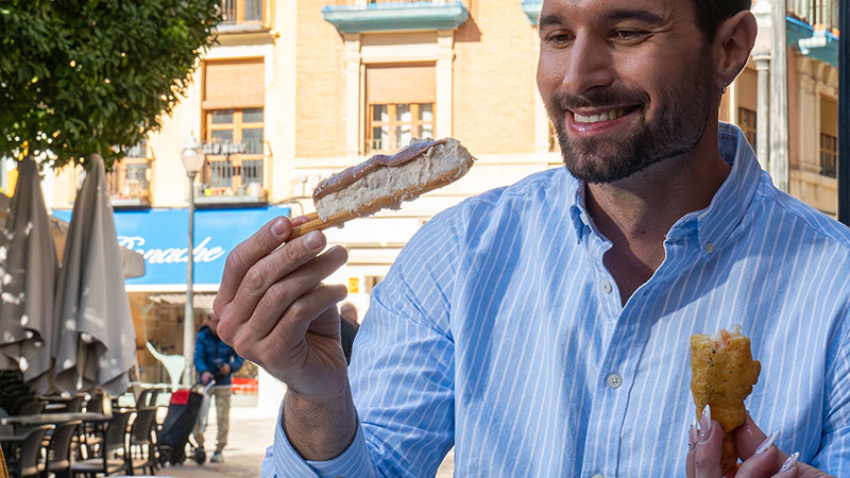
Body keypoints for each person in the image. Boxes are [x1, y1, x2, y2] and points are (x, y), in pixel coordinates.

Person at [213, 0, 850, 475]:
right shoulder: (453, 259)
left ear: (729, 47)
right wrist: (317, 398)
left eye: (627, 32)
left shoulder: (837, 287)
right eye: (557, 36)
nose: (577, 78)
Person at [192, 310, 244, 463]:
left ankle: (219, 449)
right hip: (206, 382)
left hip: (223, 382)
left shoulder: (229, 335)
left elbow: (240, 357)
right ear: (208, 322)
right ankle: (199, 444)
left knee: (223, 417)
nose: (219, 324)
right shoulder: (202, 336)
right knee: (199, 415)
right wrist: (204, 372)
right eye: (216, 321)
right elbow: (198, 357)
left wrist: (230, 367)